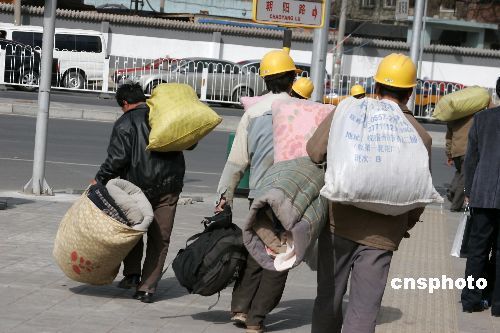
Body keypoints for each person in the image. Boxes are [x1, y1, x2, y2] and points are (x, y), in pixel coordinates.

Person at [307, 53, 432, 333]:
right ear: (410, 93)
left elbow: (315, 151)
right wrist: (404, 223)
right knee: (364, 309)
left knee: (329, 297)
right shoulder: (422, 136)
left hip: (338, 223)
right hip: (383, 235)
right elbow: (418, 195)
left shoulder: (348, 112)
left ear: (376, 87)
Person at [215, 49, 297, 333]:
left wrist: (223, 199)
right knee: (281, 254)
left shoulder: (252, 112)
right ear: (292, 79)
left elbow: (236, 162)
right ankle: (257, 318)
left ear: (265, 80)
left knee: (255, 251)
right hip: (290, 199)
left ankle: (240, 308)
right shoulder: (302, 111)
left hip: (258, 197)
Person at [94, 83, 187, 303]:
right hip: (169, 187)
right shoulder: (164, 116)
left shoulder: (125, 123)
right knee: (160, 239)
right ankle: (147, 288)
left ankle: (132, 275)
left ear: (124, 103)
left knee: (133, 230)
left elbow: (117, 159)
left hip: (136, 190)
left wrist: (100, 179)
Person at [461, 77, 500, 315]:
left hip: (483, 195)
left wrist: (469, 192)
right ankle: (497, 304)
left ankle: (471, 300)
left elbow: (471, 160)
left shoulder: (481, 119)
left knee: (477, 249)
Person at [445, 114, 474, 212]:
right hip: (468, 151)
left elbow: (449, 137)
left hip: (456, 151)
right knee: (464, 179)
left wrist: (449, 154)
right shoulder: (474, 116)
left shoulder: (454, 116)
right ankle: (455, 205)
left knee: (460, 172)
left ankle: (452, 191)